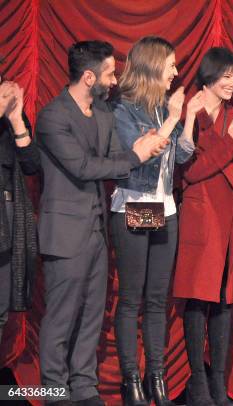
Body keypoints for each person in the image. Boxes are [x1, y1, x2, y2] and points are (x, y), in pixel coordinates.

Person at [36, 40, 167, 406]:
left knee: (92, 315)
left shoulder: (106, 114)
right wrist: (134, 155)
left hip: (96, 230)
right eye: (110, 73)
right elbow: (82, 167)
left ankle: (84, 387)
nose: (115, 80)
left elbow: (114, 158)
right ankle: (54, 391)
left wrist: (137, 150)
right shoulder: (53, 116)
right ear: (89, 75)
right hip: (64, 232)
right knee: (62, 318)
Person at [110, 36, 205, 406]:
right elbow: (143, 157)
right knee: (131, 298)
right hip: (135, 204)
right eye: (171, 65)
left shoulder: (166, 108)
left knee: (156, 299)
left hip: (165, 208)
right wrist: (174, 120)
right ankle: (131, 380)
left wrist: (189, 118)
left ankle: (157, 377)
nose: (177, 73)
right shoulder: (123, 109)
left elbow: (180, 157)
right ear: (152, 66)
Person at [173, 47, 233, 406]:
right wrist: (229, 144)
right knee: (198, 298)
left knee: (224, 300)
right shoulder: (188, 112)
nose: (232, 83)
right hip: (200, 215)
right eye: (226, 76)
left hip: (232, 216)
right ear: (208, 76)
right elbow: (190, 172)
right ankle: (197, 382)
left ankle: (219, 384)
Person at [0, 66, 39, 346]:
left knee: (1, 310)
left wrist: (15, 119)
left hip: (7, 216)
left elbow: (31, 164)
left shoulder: (9, 112)